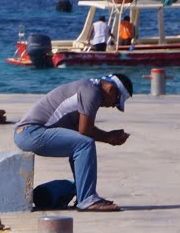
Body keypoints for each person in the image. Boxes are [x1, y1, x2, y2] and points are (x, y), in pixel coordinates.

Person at [12, 73, 133, 212]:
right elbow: (85, 130)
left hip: (27, 132)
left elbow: (79, 128)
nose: (112, 106)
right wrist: (109, 137)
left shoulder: (89, 87)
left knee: (80, 143)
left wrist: (108, 136)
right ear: (111, 89)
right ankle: (87, 199)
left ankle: (82, 194)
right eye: (116, 101)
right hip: (31, 132)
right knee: (85, 144)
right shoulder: (92, 92)